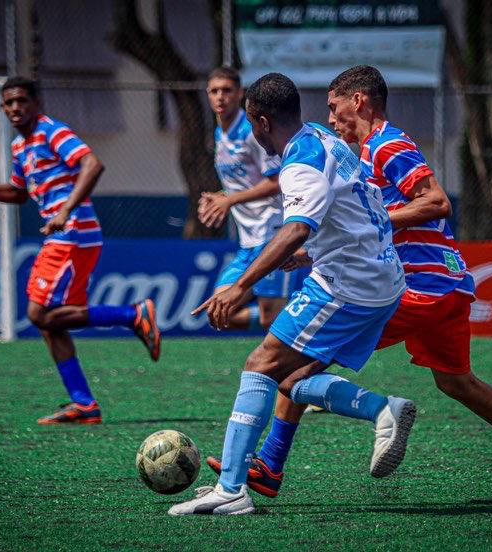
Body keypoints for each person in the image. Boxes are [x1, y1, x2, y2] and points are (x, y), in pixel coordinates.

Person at [209, 65, 492, 501]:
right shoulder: (359, 152)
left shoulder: (387, 144)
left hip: (417, 286)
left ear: (359, 101)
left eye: (334, 106)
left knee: (292, 366)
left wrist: (371, 222)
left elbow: (435, 202)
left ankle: (270, 464)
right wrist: (311, 252)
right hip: (446, 286)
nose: (329, 117)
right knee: (457, 382)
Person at [168, 72, 416, 516]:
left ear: (261, 121)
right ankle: (383, 409)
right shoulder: (321, 136)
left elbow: (297, 225)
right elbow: (352, 204)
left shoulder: (298, 162)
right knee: (289, 378)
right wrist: (307, 254)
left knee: (260, 363)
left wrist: (241, 286)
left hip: (349, 283)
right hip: (381, 276)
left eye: (250, 122)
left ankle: (231, 489)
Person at [0, 76, 160, 425]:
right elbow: (18, 194)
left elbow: (92, 165)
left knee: (37, 314)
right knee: (51, 324)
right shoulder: (20, 147)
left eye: (21, 101)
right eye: (8, 103)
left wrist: (65, 210)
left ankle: (133, 315)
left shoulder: (52, 132)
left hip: (73, 234)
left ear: (35, 103)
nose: (15, 108)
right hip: (63, 235)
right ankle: (84, 404)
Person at [199, 66, 307, 331]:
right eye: (214, 91)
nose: (220, 97)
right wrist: (219, 197)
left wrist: (230, 201)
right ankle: (300, 318)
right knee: (218, 311)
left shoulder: (252, 133)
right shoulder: (219, 134)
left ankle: (304, 326)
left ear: (240, 94)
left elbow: (277, 180)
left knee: (270, 317)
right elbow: (243, 184)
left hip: (271, 233)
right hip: (248, 241)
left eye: (227, 90)